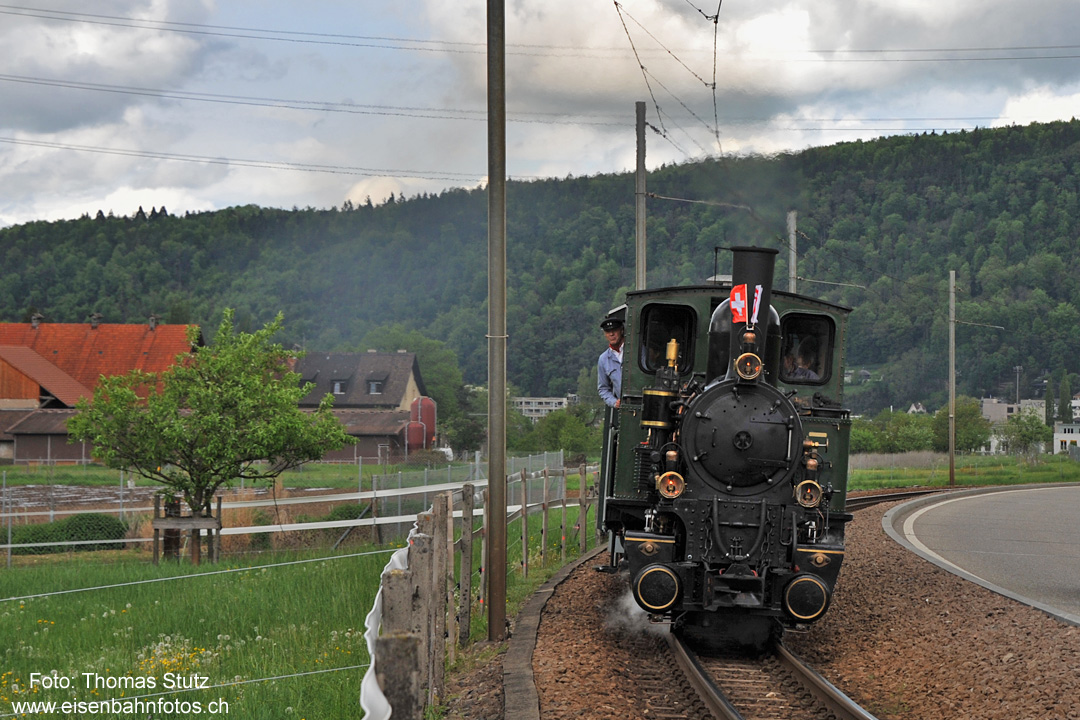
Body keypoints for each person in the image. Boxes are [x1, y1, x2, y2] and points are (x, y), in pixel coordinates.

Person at [597, 314, 624, 408]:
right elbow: (603, 388)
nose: (611, 334)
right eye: (608, 331)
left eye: (614, 330)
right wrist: (614, 402)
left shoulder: (637, 350)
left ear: (621, 330)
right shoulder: (603, 359)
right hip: (624, 408)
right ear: (605, 334)